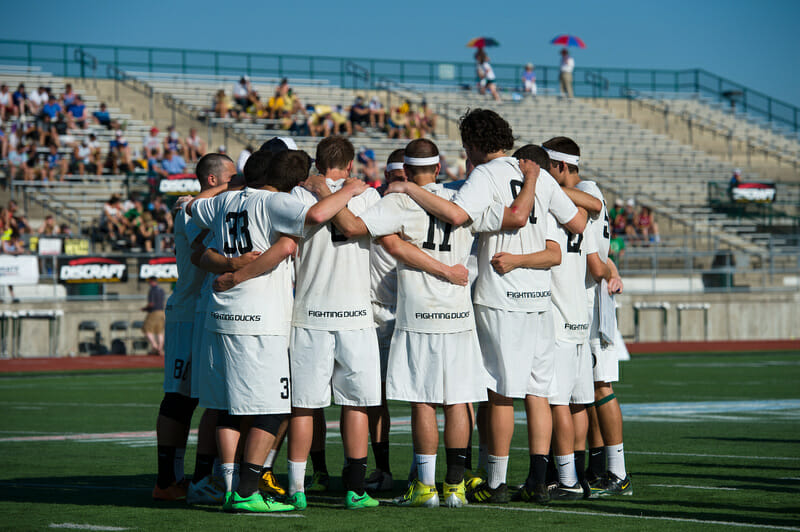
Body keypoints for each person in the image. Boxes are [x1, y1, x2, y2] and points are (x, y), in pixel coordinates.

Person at [384, 110, 588, 504]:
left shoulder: (486, 174)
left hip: (501, 293)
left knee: (499, 394)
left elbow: (458, 214)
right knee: (538, 392)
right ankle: (538, 479)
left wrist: (409, 190)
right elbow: (578, 222)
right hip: (540, 297)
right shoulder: (538, 173)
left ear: (473, 144)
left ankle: (495, 482)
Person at [185, 147, 371, 513]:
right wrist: (347, 191)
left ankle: (227, 486)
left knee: (229, 408)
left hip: (220, 315)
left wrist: (201, 204)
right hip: (260, 317)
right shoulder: (274, 203)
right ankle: (247, 489)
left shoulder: (226, 201)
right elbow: (315, 216)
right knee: (273, 409)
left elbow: (191, 209)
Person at [542, 136, 631, 497]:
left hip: (590, 303)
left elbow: (595, 261)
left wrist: (608, 270)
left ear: (562, 166)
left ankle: (617, 472)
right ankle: (594, 470)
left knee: (600, 386)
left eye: (549, 167)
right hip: (585, 301)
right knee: (588, 390)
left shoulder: (588, 191)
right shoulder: (587, 193)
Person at [142, 277, 166, 356]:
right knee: (159, 331)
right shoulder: (161, 290)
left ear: (152, 282)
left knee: (146, 329)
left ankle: (154, 346)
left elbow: (151, 304)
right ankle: (160, 349)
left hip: (154, 313)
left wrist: (145, 308)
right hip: (162, 312)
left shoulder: (152, 290)